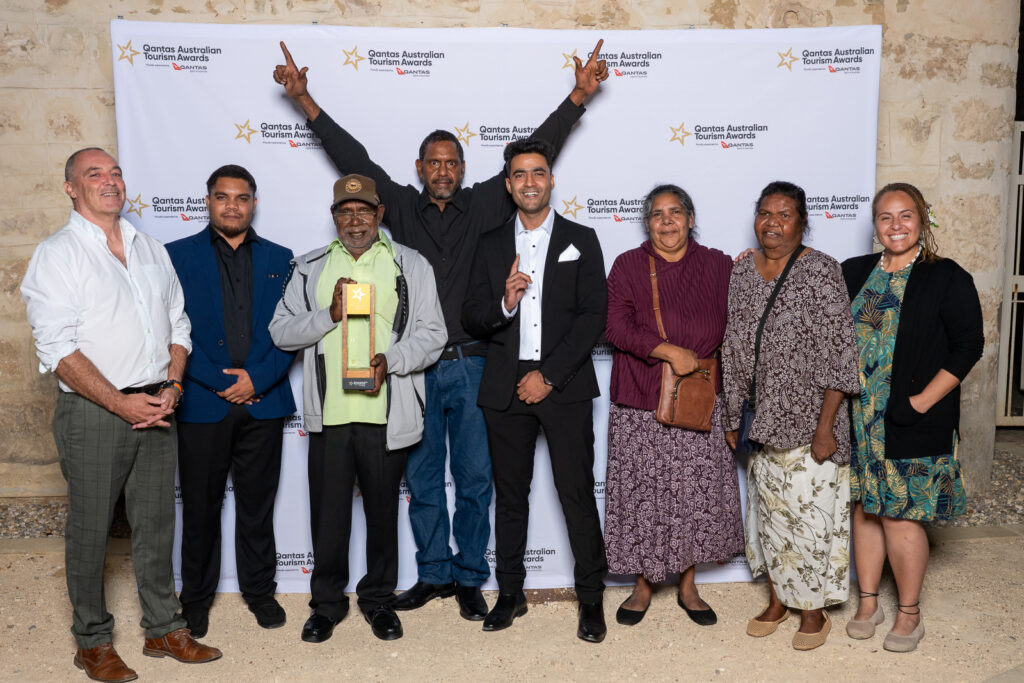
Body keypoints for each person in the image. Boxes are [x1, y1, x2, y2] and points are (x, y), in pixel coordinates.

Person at [272, 40, 608, 619]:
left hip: (478, 364)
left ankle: (471, 577)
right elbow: (354, 160)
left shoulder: (488, 204)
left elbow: (535, 150)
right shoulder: (399, 207)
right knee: (424, 478)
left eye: (452, 162)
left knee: (476, 479)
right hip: (415, 369)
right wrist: (305, 102)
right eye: (434, 162)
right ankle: (432, 573)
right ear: (420, 169)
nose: (444, 170)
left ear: (465, 170)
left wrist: (578, 97)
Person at [21, 148, 221, 683]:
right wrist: (118, 401)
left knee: (156, 525)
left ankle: (163, 629)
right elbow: (56, 347)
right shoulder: (57, 254)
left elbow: (178, 323)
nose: (109, 181)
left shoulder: (149, 247)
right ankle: (92, 642)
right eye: (94, 174)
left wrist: (173, 384)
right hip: (95, 413)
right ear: (71, 188)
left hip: (157, 405)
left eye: (115, 172)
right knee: (90, 529)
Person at [268, 174, 446, 643]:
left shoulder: (411, 264)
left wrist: (393, 360)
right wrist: (328, 314)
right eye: (345, 212)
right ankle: (327, 604)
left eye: (364, 210)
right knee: (329, 519)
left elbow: (433, 334)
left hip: (386, 414)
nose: (355, 220)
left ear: (379, 214)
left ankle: (378, 600)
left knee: (383, 517)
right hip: (330, 415)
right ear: (333, 217)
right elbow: (280, 332)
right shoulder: (308, 267)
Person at [462, 139, 608, 642]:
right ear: (508, 185)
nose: (530, 182)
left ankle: (591, 598)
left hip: (563, 383)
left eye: (538, 173)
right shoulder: (488, 243)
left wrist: (547, 376)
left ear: (551, 180)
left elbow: (593, 316)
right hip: (504, 386)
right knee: (510, 497)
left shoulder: (581, 239)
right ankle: (510, 594)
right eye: (520, 174)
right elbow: (471, 315)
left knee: (577, 494)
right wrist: (504, 303)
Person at [841, 183, 983, 652]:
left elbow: (969, 346)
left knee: (901, 516)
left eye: (905, 215)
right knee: (866, 509)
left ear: (922, 220)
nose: (896, 225)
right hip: (860, 419)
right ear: (875, 225)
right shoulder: (854, 271)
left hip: (912, 417)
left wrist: (921, 402)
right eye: (886, 217)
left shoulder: (946, 276)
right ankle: (868, 603)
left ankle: (909, 613)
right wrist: (752, 261)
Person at [721, 180, 860, 651]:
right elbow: (733, 349)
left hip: (810, 422)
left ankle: (812, 611)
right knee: (769, 515)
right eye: (765, 213)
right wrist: (732, 415)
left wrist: (826, 428)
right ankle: (779, 599)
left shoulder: (821, 270)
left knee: (810, 518)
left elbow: (841, 354)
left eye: (784, 215)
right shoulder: (742, 272)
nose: (772, 223)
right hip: (760, 420)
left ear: (802, 222)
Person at [602, 184, 744, 627]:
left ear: (691, 218)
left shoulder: (720, 265)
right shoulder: (628, 265)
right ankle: (643, 585)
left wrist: (753, 266)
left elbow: (744, 317)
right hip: (641, 400)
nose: (667, 221)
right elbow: (614, 327)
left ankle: (687, 585)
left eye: (675, 212)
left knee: (692, 495)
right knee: (643, 495)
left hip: (699, 398)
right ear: (647, 223)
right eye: (657, 214)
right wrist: (667, 351)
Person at [166, 165, 297, 638]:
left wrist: (257, 378)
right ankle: (196, 598)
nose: (232, 206)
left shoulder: (282, 258)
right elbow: (169, 327)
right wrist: (222, 381)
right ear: (208, 202)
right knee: (200, 508)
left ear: (254, 204)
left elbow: (292, 330)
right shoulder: (176, 256)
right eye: (222, 197)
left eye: (241, 198)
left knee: (257, 508)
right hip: (204, 402)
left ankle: (260, 592)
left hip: (264, 401)